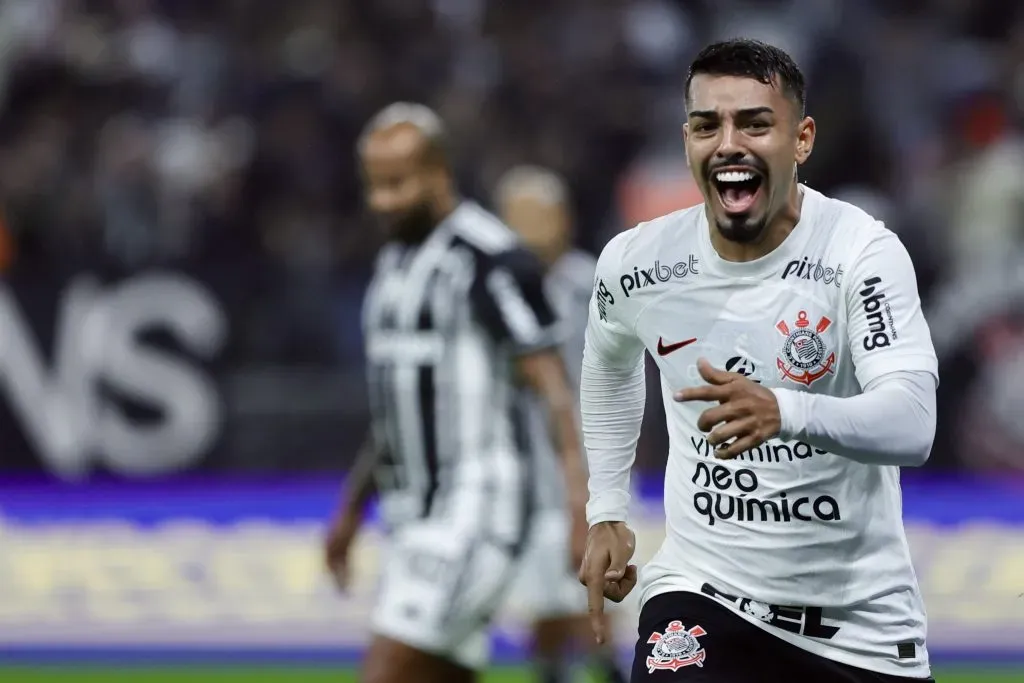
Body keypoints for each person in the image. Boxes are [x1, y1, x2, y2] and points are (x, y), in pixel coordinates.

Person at [577, 39, 938, 683]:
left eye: (754, 123)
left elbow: (912, 423)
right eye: (706, 125)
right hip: (701, 592)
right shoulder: (637, 263)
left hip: (856, 622)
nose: (728, 144)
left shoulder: (860, 253)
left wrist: (785, 409)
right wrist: (606, 507)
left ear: (801, 140)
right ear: (686, 139)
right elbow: (609, 363)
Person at [323, 103, 589, 683]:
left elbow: (554, 392)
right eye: (375, 186)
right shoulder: (394, 264)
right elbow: (398, 409)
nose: (383, 201)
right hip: (410, 519)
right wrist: (350, 509)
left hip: (476, 512)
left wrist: (581, 511)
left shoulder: (488, 258)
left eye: (397, 184)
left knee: (387, 672)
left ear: (439, 173)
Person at [495, 165, 627, 683]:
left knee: (592, 589)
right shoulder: (497, 291)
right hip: (523, 473)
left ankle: (607, 670)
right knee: (541, 600)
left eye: (539, 216)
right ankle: (554, 671)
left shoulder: (590, 283)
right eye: (518, 218)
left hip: (591, 465)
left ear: (564, 219)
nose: (530, 230)